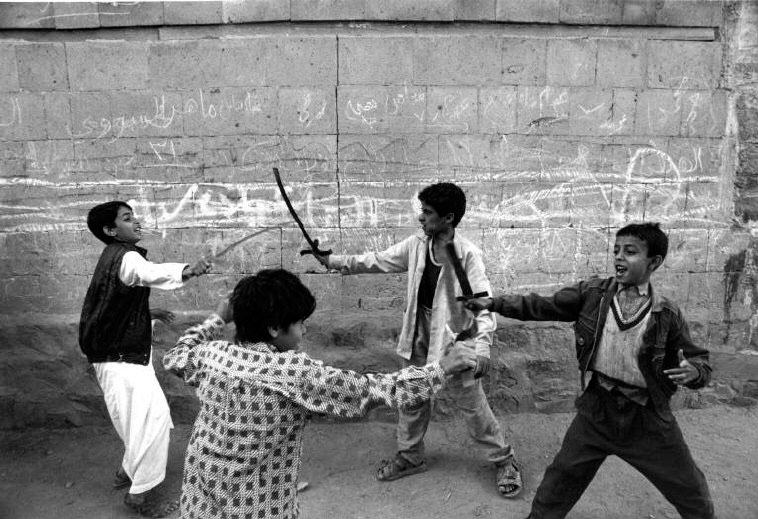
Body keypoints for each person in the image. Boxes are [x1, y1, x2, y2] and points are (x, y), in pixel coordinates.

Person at [162, 268, 477, 519]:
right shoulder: (294, 374)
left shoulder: (211, 355)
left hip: (201, 498)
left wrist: (217, 318)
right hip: (256, 507)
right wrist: (440, 369)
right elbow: (376, 390)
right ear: (274, 327)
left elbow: (176, 355)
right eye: (300, 323)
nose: (303, 331)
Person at [466, 222, 714, 519]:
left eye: (630, 252)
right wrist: (493, 303)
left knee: (689, 490)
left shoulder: (666, 314)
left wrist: (694, 373)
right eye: (616, 250)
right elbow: (541, 305)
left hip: (646, 419)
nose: (619, 257)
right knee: (560, 480)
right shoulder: (593, 294)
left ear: (654, 262)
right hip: (597, 410)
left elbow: (700, 360)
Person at [311, 182, 522, 498]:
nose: (421, 218)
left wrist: (481, 348)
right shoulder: (417, 245)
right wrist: (335, 261)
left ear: (448, 218)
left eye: (428, 213)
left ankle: (504, 460)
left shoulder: (467, 256)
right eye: (421, 211)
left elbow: (484, 303)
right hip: (419, 331)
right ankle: (410, 456)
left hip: (455, 339)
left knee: (472, 404)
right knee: (412, 395)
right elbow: (379, 259)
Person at [79, 201, 211, 518]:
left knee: (145, 419)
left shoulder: (114, 258)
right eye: (127, 219)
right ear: (111, 231)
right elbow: (146, 273)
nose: (136, 222)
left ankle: (127, 470)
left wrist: (147, 313)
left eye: (133, 216)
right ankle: (141, 495)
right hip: (119, 358)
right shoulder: (125, 257)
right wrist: (186, 270)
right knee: (150, 422)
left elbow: (113, 302)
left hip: (118, 355)